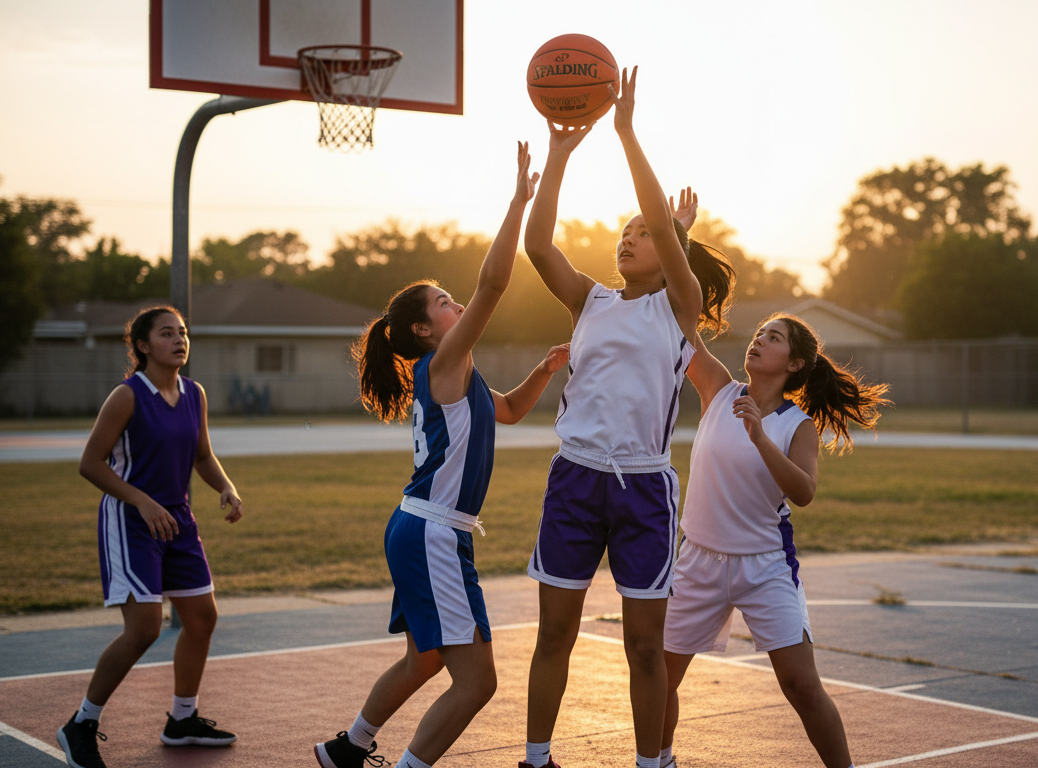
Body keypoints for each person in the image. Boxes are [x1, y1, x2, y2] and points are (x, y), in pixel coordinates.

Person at [314, 142, 570, 768]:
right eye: (444, 301)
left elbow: (505, 411)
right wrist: (519, 201)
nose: (459, 303)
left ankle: (349, 748)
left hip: (421, 526)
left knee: (425, 657)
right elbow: (493, 281)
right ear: (427, 329)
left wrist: (542, 372)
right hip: (431, 531)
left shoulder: (460, 371)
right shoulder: (444, 361)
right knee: (477, 682)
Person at [519, 67, 735, 768]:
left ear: (671, 245)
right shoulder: (591, 300)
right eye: (623, 232)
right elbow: (538, 246)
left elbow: (666, 233)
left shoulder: (678, 303)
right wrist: (559, 153)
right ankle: (536, 756)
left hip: (642, 486)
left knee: (645, 645)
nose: (627, 238)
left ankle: (651, 762)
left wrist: (626, 131)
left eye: (644, 233)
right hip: (576, 478)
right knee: (555, 634)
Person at [661, 313, 890, 768]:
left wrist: (759, 437)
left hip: (764, 568)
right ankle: (659, 761)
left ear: (794, 363)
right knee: (660, 680)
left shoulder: (797, 425)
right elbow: (680, 326)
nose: (759, 340)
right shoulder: (718, 388)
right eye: (759, 332)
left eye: (774, 337)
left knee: (803, 686)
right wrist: (674, 246)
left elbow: (803, 492)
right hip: (697, 562)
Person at [57, 305, 245, 768]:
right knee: (143, 628)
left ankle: (182, 720)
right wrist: (141, 500)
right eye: (167, 333)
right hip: (131, 521)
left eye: (183, 332)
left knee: (202, 618)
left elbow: (202, 454)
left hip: (177, 520)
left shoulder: (194, 394)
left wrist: (225, 485)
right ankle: (81, 723)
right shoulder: (127, 396)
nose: (179, 339)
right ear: (143, 345)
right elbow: (90, 464)